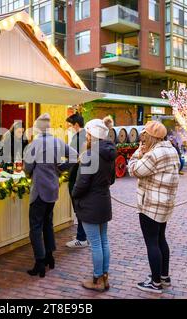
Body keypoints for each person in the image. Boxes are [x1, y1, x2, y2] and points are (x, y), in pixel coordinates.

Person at [128, 121, 180, 294]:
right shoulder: (171, 150)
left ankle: (155, 283)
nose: (142, 138)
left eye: (144, 136)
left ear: (150, 137)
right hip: (165, 203)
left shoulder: (154, 154)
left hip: (151, 203)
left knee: (152, 243)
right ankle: (164, 277)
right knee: (160, 239)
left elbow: (134, 170)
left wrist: (138, 152)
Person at [23, 113, 78, 278]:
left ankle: (39, 262)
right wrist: (61, 168)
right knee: (48, 223)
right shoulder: (57, 141)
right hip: (53, 189)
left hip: (39, 190)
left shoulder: (35, 144)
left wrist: (30, 172)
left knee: (35, 227)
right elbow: (75, 156)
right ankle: (49, 257)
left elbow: (27, 168)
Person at [72, 119, 116, 292]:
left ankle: (97, 280)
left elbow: (82, 183)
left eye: (88, 134)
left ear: (92, 135)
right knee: (103, 241)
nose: (86, 137)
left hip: (90, 203)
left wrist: (74, 194)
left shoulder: (90, 155)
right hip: (104, 201)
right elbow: (112, 179)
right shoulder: (109, 152)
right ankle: (104, 277)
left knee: (96, 243)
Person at [65, 113, 89, 248]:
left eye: (70, 125)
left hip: (76, 176)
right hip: (84, 175)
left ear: (76, 125)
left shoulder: (77, 137)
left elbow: (72, 158)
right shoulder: (87, 135)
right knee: (82, 207)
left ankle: (81, 237)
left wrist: (62, 167)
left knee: (78, 207)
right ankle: (83, 234)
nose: (69, 128)